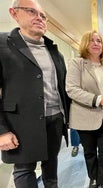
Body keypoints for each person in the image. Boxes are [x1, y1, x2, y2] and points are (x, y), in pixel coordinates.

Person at [0, 0, 70, 187]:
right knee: (24, 170)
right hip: (20, 122)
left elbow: (62, 88)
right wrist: (1, 130)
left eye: (43, 15)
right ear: (14, 13)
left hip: (54, 119)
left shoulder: (55, 52)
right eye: (32, 12)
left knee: (51, 164)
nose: (39, 18)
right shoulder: (2, 44)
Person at [66, 30, 103, 188]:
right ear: (85, 44)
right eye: (92, 40)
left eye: (99, 40)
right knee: (90, 152)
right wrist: (98, 99)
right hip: (85, 117)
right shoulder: (77, 63)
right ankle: (93, 178)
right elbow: (72, 89)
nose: (96, 43)